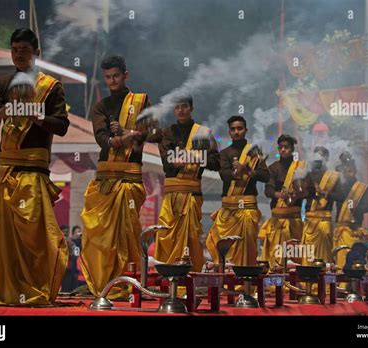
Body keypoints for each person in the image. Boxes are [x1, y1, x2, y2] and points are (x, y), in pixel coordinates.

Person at [0, 28, 69, 305]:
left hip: (34, 172)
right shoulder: (3, 84)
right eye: (15, 50)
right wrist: (6, 110)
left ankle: (35, 289)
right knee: (4, 239)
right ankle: (5, 291)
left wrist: (38, 117)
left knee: (34, 238)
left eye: (25, 50)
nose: (19, 55)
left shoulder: (51, 86)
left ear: (37, 52)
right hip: (5, 172)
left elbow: (61, 126)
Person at [80, 55, 151, 299]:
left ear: (125, 75)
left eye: (116, 76)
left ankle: (130, 284)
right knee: (102, 234)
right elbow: (101, 139)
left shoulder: (141, 102)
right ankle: (105, 284)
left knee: (128, 232)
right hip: (106, 176)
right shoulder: (101, 106)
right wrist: (119, 139)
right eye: (108, 77)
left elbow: (150, 135)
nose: (112, 81)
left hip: (130, 177)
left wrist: (128, 133)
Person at [154, 95, 220, 272]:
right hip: (171, 196)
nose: (181, 110)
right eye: (177, 107)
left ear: (191, 108)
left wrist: (195, 157)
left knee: (192, 236)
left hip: (192, 194)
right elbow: (167, 162)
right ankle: (168, 277)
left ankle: (192, 277)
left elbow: (216, 163)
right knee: (166, 234)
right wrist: (182, 159)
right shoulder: (167, 133)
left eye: (184, 106)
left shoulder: (203, 133)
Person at [206, 116, 269, 266]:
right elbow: (224, 175)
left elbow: (265, 176)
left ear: (245, 130)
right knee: (216, 241)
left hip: (247, 208)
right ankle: (225, 280)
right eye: (233, 129)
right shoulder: (225, 153)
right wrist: (236, 173)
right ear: (229, 132)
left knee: (246, 246)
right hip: (228, 209)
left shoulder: (254, 153)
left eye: (240, 128)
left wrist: (246, 170)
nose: (236, 132)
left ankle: (245, 282)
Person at [259, 134, 308, 268]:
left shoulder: (300, 167)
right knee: (276, 256)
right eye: (280, 147)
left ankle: (295, 285)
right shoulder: (273, 168)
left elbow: (307, 191)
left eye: (286, 147)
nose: (283, 150)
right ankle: (275, 285)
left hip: (295, 221)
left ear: (292, 149)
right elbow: (268, 190)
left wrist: (296, 194)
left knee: (295, 256)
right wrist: (279, 194)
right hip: (278, 221)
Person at [301, 147, 340, 264]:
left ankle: (325, 282)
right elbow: (300, 194)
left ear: (327, 159)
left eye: (321, 156)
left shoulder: (334, 177)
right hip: (309, 223)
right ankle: (305, 282)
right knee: (308, 258)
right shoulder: (307, 175)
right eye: (316, 156)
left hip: (324, 222)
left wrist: (325, 193)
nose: (318, 159)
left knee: (324, 258)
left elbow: (340, 196)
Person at [333, 155, 368, 270]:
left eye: (350, 170)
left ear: (355, 171)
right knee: (340, 258)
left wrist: (357, 208)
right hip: (341, 231)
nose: (348, 173)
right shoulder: (339, 187)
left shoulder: (362, 188)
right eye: (345, 170)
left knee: (354, 260)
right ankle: (340, 284)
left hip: (355, 231)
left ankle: (353, 284)